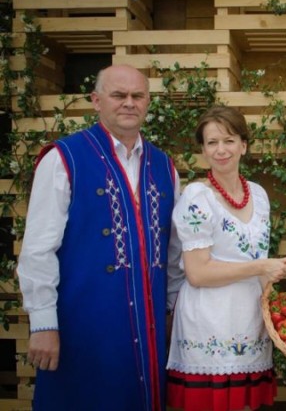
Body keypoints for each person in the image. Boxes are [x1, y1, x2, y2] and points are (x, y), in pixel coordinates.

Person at [16, 64, 184, 410]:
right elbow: (38, 249)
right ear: (96, 100)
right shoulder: (64, 158)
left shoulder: (165, 166)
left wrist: (171, 311)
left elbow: (174, 251)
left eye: (137, 96)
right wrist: (43, 323)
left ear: (148, 102)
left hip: (148, 328)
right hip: (82, 324)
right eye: (118, 95)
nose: (129, 103)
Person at [166, 105, 286, 411]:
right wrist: (261, 266)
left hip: (248, 317)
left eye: (229, 140)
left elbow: (258, 259)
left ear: (244, 145)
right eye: (212, 143)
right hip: (209, 319)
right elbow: (198, 273)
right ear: (203, 150)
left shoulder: (259, 195)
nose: (221, 150)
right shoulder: (197, 197)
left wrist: (276, 308)